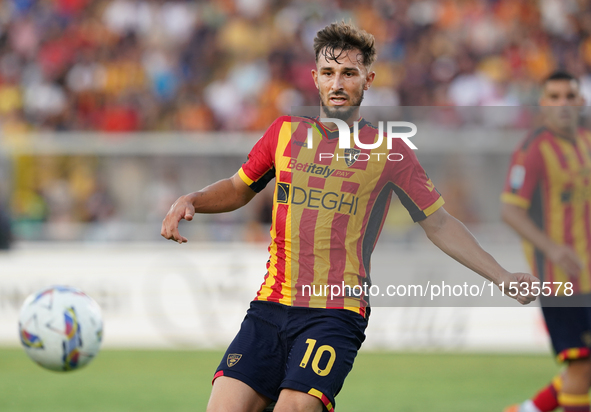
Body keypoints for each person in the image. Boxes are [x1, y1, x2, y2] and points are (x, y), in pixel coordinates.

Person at [162, 21, 537, 412]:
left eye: (348, 73)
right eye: (328, 73)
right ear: (315, 79)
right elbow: (239, 187)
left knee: (295, 408)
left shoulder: (390, 151)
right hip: (270, 306)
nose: (337, 83)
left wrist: (503, 276)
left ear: (368, 79)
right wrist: (193, 199)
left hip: (335, 312)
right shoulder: (285, 133)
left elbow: (439, 222)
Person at [502, 71, 591, 412]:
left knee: (584, 366)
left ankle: (529, 410)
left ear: (580, 101)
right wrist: (552, 248)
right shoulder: (533, 150)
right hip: (560, 281)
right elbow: (510, 211)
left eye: (569, 96)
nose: (563, 104)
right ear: (543, 103)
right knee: (581, 365)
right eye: (554, 97)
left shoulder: (586, 141)